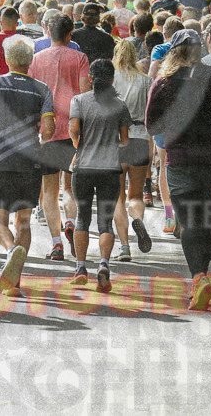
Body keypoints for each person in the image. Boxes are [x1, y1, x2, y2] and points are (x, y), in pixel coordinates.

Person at [145, 29, 211, 310]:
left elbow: (152, 125)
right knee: (206, 215)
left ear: (174, 52)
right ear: (200, 50)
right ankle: (203, 276)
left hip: (181, 159)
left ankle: (199, 277)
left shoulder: (164, 83)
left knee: (188, 221)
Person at [0, 39, 56, 294]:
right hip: (29, 161)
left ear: (8, 60)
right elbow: (49, 129)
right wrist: (39, 140)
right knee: (24, 223)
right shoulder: (42, 90)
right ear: (30, 61)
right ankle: (14, 283)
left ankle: (11, 252)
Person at [28, 13, 90, 260]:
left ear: (47, 32)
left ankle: (56, 244)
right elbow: (85, 94)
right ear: (69, 34)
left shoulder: (36, 59)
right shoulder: (80, 58)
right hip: (75, 132)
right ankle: (72, 222)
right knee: (71, 189)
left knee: (50, 193)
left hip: (47, 131)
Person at [67, 59, 131, 291]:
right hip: (110, 169)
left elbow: (74, 130)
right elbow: (124, 141)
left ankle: (81, 267)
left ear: (91, 78)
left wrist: (79, 146)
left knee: (83, 216)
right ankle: (104, 264)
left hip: (83, 167)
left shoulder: (79, 101)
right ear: (112, 79)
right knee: (105, 220)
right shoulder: (120, 105)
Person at [109, 40, 153, 262]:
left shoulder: (111, 79)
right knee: (135, 195)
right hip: (140, 138)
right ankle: (139, 219)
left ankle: (124, 246)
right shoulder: (146, 81)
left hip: (115, 140)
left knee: (117, 198)